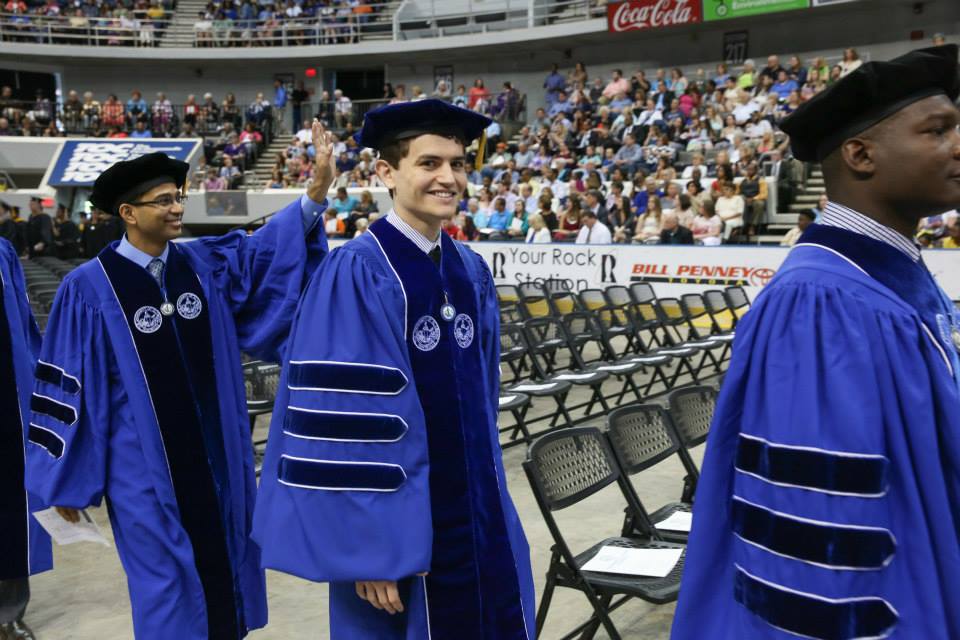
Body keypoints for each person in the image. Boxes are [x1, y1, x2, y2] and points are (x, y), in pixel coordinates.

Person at [673, 45, 960, 640]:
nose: (958, 144)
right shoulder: (819, 307)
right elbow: (819, 543)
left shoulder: (891, 278)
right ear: (860, 154)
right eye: (938, 130)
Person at [26, 121, 334, 639]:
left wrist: (314, 195)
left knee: (228, 565)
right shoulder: (88, 289)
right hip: (141, 471)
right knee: (166, 585)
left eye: (179, 197)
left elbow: (265, 256)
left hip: (218, 454)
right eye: (164, 200)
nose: (176, 208)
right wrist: (66, 481)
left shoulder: (200, 263)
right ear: (128, 213)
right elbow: (66, 385)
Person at [253, 99, 535, 637]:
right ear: (386, 172)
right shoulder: (357, 270)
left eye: (456, 164)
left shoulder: (469, 269)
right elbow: (344, 422)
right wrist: (368, 549)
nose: (448, 177)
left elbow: (481, 399)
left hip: (477, 510)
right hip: (392, 534)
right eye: (429, 163)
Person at [0, 235, 50, 640]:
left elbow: (20, 321)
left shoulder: (0, 251)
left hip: (3, 395)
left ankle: (8, 610)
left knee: (10, 504)